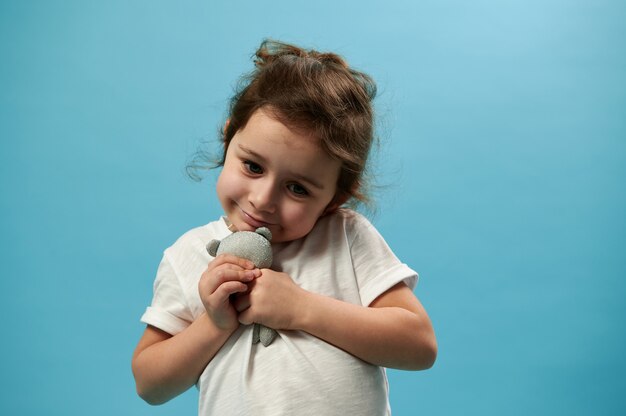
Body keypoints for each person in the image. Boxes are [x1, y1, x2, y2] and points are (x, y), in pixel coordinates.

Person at [132, 39, 437, 415]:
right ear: (229, 139)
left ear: (334, 199)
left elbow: (419, 345)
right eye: (253, 166)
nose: (263, 199)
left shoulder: (344, 236)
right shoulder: (188, 255)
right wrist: (214, 323)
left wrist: (300, 308)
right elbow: (149, 384)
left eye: (297, 188)